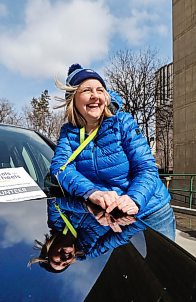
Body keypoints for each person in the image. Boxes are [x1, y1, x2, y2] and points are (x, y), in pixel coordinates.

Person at [49, 63, 175, 241]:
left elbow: (147, 168)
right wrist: (92, 192)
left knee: (163, 267)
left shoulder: (122, 122)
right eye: (87, 90)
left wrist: (134, 199)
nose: (95, 96)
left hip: (152, 213)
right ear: (73, 99)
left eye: (100, 90)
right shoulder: (69, 132)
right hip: (110, 217)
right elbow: (60, 168)